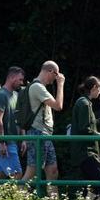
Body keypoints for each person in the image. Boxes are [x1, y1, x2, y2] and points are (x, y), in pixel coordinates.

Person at [22, 61, 65, 191]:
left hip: (44, 134)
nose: (56, 77)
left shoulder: (40, 87)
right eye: (56, 74)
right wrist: (61, 84)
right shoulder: (37, 87)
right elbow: (58, 106)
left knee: (52, 171)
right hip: (37, 133)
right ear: (50, 71)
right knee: (32, 173)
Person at [0, 67, 26, 179]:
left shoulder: (16, 95)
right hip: (5, 142)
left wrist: (23, 139)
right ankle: (19, 197)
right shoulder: (0, 95)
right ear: (11, 77)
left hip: (12, 141)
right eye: (20, 80)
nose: (22, 83)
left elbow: (20, 119)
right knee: (17, 174)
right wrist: (1, 142)